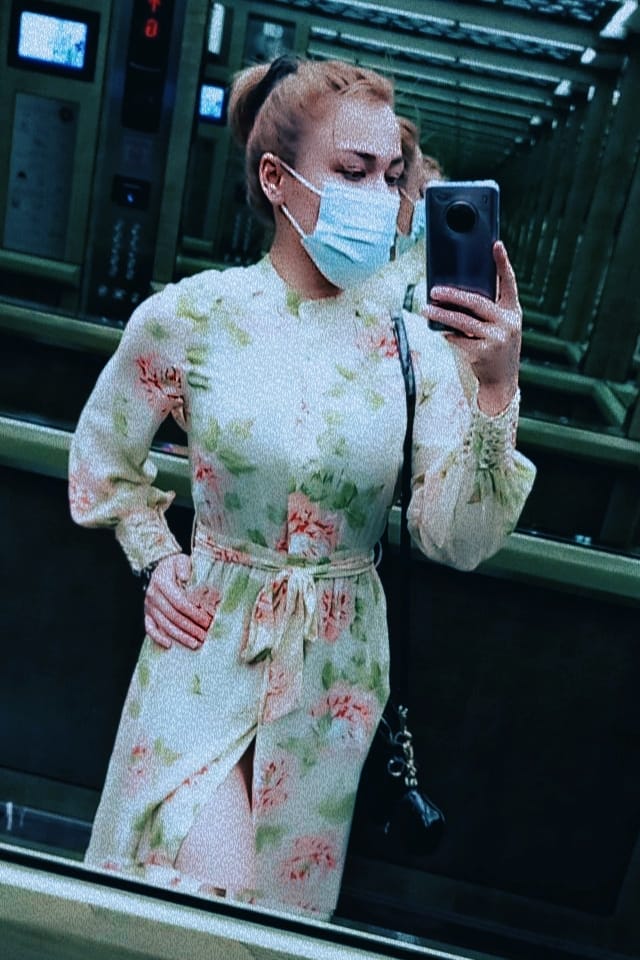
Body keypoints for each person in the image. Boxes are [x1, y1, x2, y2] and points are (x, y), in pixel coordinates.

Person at [68, 55, 536, 919]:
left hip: (335, 667)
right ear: (276, 181)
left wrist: (495, 387)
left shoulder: (415, 349)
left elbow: (457, 538)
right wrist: (154, 556)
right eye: (352, 171)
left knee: (271, 917)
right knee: (192, 886)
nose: (379, 196)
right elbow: (104, 454)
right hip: (206, 638)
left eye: (390, 175)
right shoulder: (193, 316)